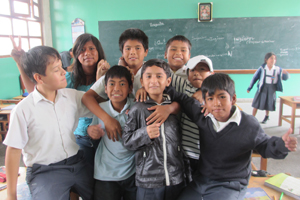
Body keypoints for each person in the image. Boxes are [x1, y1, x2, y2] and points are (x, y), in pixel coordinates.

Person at [165, 73, 297, 200]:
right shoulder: (204, 117)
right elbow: (183, 99)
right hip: (202, 181)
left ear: (233, 99)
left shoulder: (248, 124)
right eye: (210, 99)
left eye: (222, 97)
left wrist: (282, 145)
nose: (216, 103)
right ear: (204, 102)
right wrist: (161, 85)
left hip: (231, 184)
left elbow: (266, 146)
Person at [4, 46, 95, 200]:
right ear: (39, 78)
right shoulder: (23, 110)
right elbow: (13, 151)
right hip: (45, 171)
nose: (64, 72)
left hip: (77, 163)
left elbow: (98, 101)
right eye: (56, 69)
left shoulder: (71, 96)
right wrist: (11, 195)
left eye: (61, 66)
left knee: (105, 193)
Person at [10, 34, 110, 166]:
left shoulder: (109, 76)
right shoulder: (67, 78)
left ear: (99, 51)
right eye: (82, 49)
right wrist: (20, 63)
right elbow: (38, 90)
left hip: (105, 131)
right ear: (75, 54)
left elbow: (105, 104)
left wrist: (101, 80)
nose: (87, 53)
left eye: (92, 48)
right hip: (77, 136)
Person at [83, 28, 179, 142]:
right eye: (128, 48)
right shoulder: (115, 75)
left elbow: (177, 101)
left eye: (138, 48)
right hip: (126, 136)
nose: (132, 52)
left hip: (151, 134)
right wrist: (107, 119)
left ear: (146, 51)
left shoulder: (155, 73)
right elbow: (86, 97)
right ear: (122, 52)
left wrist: (167, 108)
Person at [122, 59, 186, 200]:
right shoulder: (137, 109)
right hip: (148, 180)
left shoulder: (174, 108)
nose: (154, 81)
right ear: (142, 82)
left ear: (168, 81)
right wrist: (145, 133)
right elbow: (126, 140)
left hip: (175, 177)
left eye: (159, 76)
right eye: (149, 76)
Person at [91, 65, 137, 200]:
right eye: (111, 84)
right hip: (106, 173)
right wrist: (91, 131)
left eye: (122, 84)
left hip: (132, 172)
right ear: (105, 89)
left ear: (130, 88)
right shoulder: (100, 109)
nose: (116, 88)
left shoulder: (137, 108)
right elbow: (93, 131)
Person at [171, 55, 214, 174]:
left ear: (211, 73)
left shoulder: (214, 94)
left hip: (207, 154)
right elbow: (163, 74)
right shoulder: (184, 86)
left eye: (202, 69)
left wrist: (205, 90)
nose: (196, 73)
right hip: (186, 152)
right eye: (192, 70)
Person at [247, 52, 289, 124]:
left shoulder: (278, 69)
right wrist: (249, 88)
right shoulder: (262, 68)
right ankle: (253, 117)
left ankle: (266, 116)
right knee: (257, 102)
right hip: (262, 87)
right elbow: (255, 77)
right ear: (266, 60)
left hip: (272, 88)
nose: (273, 60)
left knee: (269, 102)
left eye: (274, 59)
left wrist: (286, 74)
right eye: (271, 58)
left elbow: (285, 78)